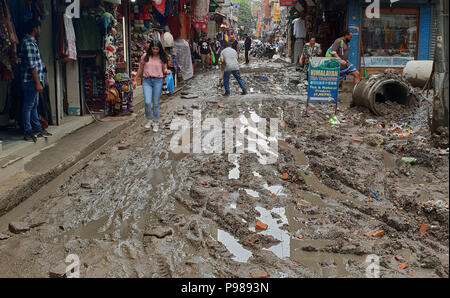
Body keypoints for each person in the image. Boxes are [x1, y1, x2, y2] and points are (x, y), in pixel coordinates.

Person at [19, 18, 52, 142]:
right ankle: (27, 130)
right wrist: (38, 83)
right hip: (31, 81)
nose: (40, 30)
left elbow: (34, 63)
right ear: (35, 29)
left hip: (33, 80)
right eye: (39, 27)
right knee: (28, 106)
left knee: (34, 105)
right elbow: (32, 66)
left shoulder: (31, 42)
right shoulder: (28, 43)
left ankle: (37, 128)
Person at [133, 39, 171, 133]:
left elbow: (164, 69)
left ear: (159, 49)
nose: (155, 51)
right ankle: (149, 119)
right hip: (146, 81)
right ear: (150, 48)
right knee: (147, 102)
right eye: (153, 48)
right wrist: (135, 80)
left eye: (157, 49)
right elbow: (140, 68)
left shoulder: (162, 58)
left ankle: (156, 122)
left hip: (158, 81)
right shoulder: (145, 57)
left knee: (155, 103)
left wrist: (166, 71)